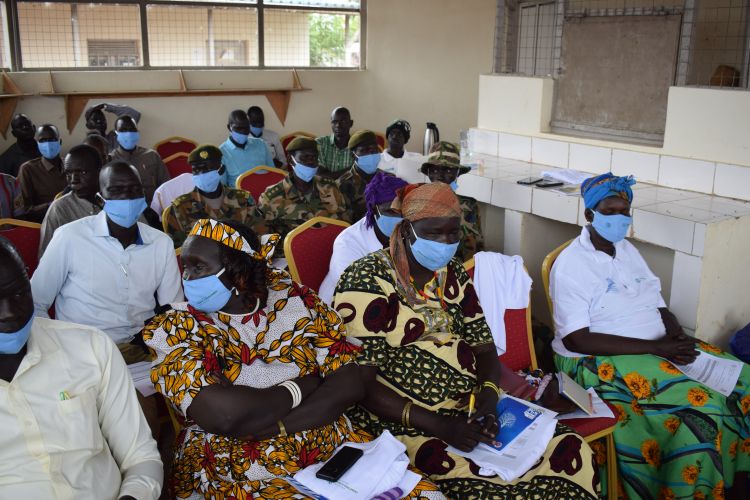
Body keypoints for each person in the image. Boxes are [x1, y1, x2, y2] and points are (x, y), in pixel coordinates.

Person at [333, 183, 599, 499]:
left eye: (453, 233)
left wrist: (487, 397)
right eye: (434, 233)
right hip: (407, 420)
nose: (446, 243)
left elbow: (483, 345)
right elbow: (362, 384)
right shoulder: (366, 280)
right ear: (406, 229)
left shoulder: (453, 273)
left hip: (471, 405)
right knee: (496, 490)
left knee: (571, 448)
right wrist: (441, 426)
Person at [143, 218, 442, 498]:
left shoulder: (294, 299)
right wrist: (303, 386)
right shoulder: (178, 328)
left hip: (331, 447)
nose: (187, 278)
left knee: (428, 494)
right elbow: (225, 416)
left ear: (239, 272)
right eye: (186, 267)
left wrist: (275, 426)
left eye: (198, 268)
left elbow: (350, 383)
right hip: (238, 463)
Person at [551, 173, 750, 500]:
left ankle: (736, 478)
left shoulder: (626, 250)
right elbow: (577, 340)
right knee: (705, 410)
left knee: (745, 379)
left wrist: (675, 336)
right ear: (590, 214)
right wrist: (659, 347)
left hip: (659, 344)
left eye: (624, 211)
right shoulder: (572, 265)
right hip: (599, 358)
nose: (619, 218)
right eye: (610, 211)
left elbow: (657, 303)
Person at [0, 237, 163, 498]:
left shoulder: (89, 347)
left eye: (19, 292)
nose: (9, 312)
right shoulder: (70, 236)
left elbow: (140, 457)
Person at [31, 160, 182, 360]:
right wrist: (56, 348)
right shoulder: (70, 237)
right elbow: (35, 301)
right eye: (116, 190)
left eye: (134, 189)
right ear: (101, 199)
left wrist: (160, 340)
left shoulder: (161, 243)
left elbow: (173, 309)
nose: (126, 197)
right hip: (84, 351)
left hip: (144, 348)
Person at [319, 172, 408, 304]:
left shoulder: (408, 231)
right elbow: (357, 292)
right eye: (390, 211)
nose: (399, 218)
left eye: (403, 211)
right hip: (345, 307)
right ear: (374, 209)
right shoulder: (348, 244)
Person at [258, 136, 350, 258]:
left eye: (314, 158)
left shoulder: (330, 187)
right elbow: (265, 241)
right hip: (296, 258)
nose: (311, 162)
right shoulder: (272, 197)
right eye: (305, 158)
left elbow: (345, 222)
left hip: (333, 251)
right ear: (291, 160)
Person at [164, 145, 261, 247]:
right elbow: (178, 251)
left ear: (221, 169)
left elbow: (260, 234)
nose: (201, 174)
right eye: (195, 170)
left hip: (244, 259)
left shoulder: (243, 199)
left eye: (206, 169)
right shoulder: (180, 207)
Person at [421, 141, 483, 260]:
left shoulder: (469, 206)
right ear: (428, 173)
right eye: (434, 170)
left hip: (460, 270)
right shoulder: (417, 204)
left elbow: (476, 247)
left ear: (457, 173)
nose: (440, 176)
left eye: (448, 170)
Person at [38, 144, 103, 257]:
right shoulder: (59, 209)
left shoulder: (118, 201)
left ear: (100, 171)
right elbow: (47, 259)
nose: (73, 180)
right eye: (68, 173)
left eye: (82, 172)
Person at [109, 115, 169, 205]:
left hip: (153, 209)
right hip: (126, 212)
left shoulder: (152, 155)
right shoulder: (110, 160)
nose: (128, 133)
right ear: (115, 133)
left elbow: (166, 184)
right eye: (123, 130)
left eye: (132, 129)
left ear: (137, 132)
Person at [17, 124, 67, 222]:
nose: (48, 144)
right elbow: (24, 210)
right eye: (43, 140)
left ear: (60, 141)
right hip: (46, 224)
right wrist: (53, 205)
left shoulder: (70, 164)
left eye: (52, 139)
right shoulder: (28, 170)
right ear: (37, 144)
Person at [219, 109, 274, 188]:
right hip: (240, 197)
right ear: (229, 127)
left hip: (265, 193)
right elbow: (223, 185)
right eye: (238, 128)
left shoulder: (260, 144)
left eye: (246, 128)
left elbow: (273, 172)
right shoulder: (222, 152)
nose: (243, 132)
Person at [336, 130, 382, 222]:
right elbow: (345, 221)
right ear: (353, 156)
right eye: (364, 151)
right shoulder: (342, 184)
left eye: (374, 150)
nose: (371, 154)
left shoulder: (388, 179)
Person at [315, 106, 354, 178]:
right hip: (325, 188)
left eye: (343, 121)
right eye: (334, 122)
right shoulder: (320, 143)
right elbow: (320, 176)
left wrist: (328, 174)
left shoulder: (358, 145)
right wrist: (352, 170)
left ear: (351, 123)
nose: (338, 125)